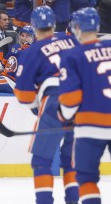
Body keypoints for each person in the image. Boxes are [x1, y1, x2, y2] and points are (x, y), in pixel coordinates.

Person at [13, 6, 79, 204]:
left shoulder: (32, 51)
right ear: (54, 23)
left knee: (41, 161)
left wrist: (38, 109)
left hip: (55, 100)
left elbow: (23, 94)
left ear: (33, 25)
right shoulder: (72, 40)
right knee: (71, 161)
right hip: (82, 101)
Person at [59, 7, 111, 204]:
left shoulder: (72, 55)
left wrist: (65, 116)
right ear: (97, 26)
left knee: (87, 179)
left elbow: (70, 100)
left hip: (90, 127)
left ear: (76, 28)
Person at [0, 25, 35, 93]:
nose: (24, 38)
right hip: (5, 78)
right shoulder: (14, 47)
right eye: (22, 35)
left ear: (32, 38)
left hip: (14, 83)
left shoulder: (33, 51)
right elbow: (2, 66)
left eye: (27, 36)